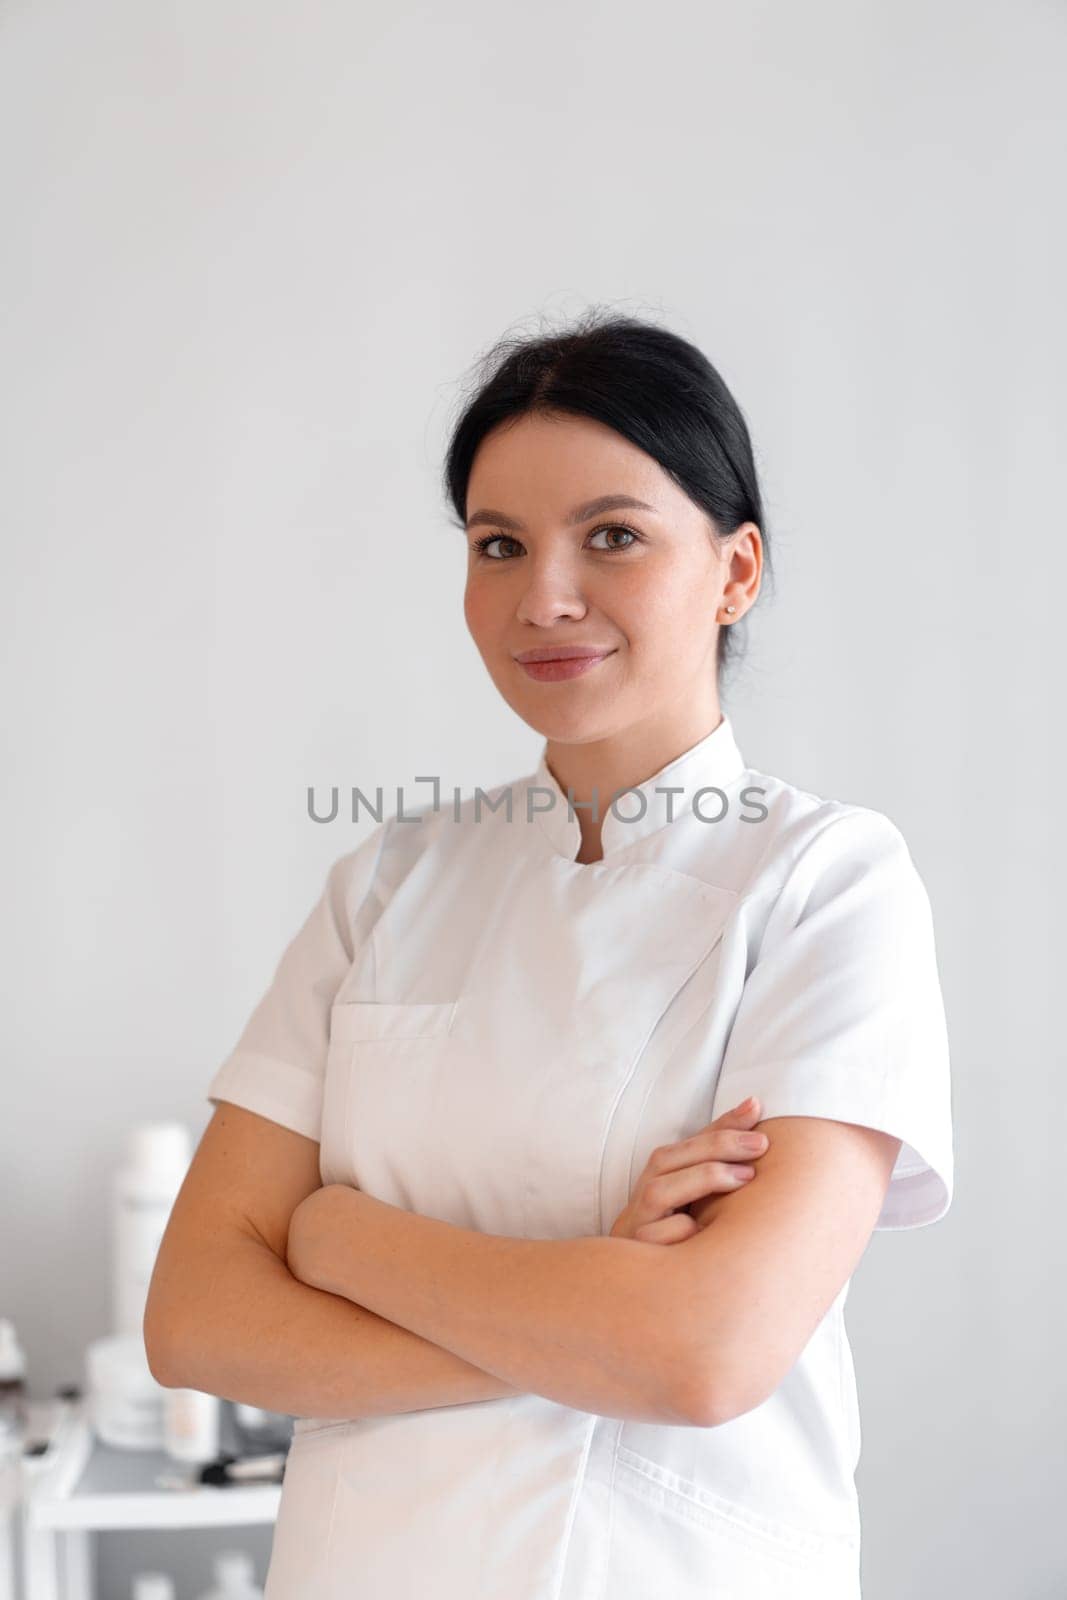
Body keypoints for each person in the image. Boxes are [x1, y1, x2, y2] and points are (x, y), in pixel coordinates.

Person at [145, 310, 954, 1600]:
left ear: (736, 570)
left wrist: (344, 1239)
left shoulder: (826, 884)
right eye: (498, 544)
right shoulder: (386, 883)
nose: (545, 597)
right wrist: (586, 1318)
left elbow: (702, 1356)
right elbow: (194, 1320)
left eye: (613, 535)